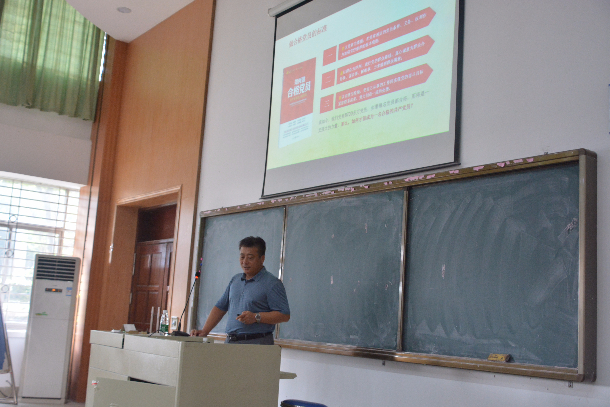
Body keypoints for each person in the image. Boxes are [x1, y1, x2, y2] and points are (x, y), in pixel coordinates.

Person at [190, 236, 290, 344]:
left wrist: (256, 317)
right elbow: (220, 307)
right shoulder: (235, 280)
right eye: (242, 257)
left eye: (250, 258)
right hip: (231, 342)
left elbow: (284, 315)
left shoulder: (272, 283)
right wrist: (205, 331)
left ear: (262, 259)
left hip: (257, 343)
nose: (245, 262)